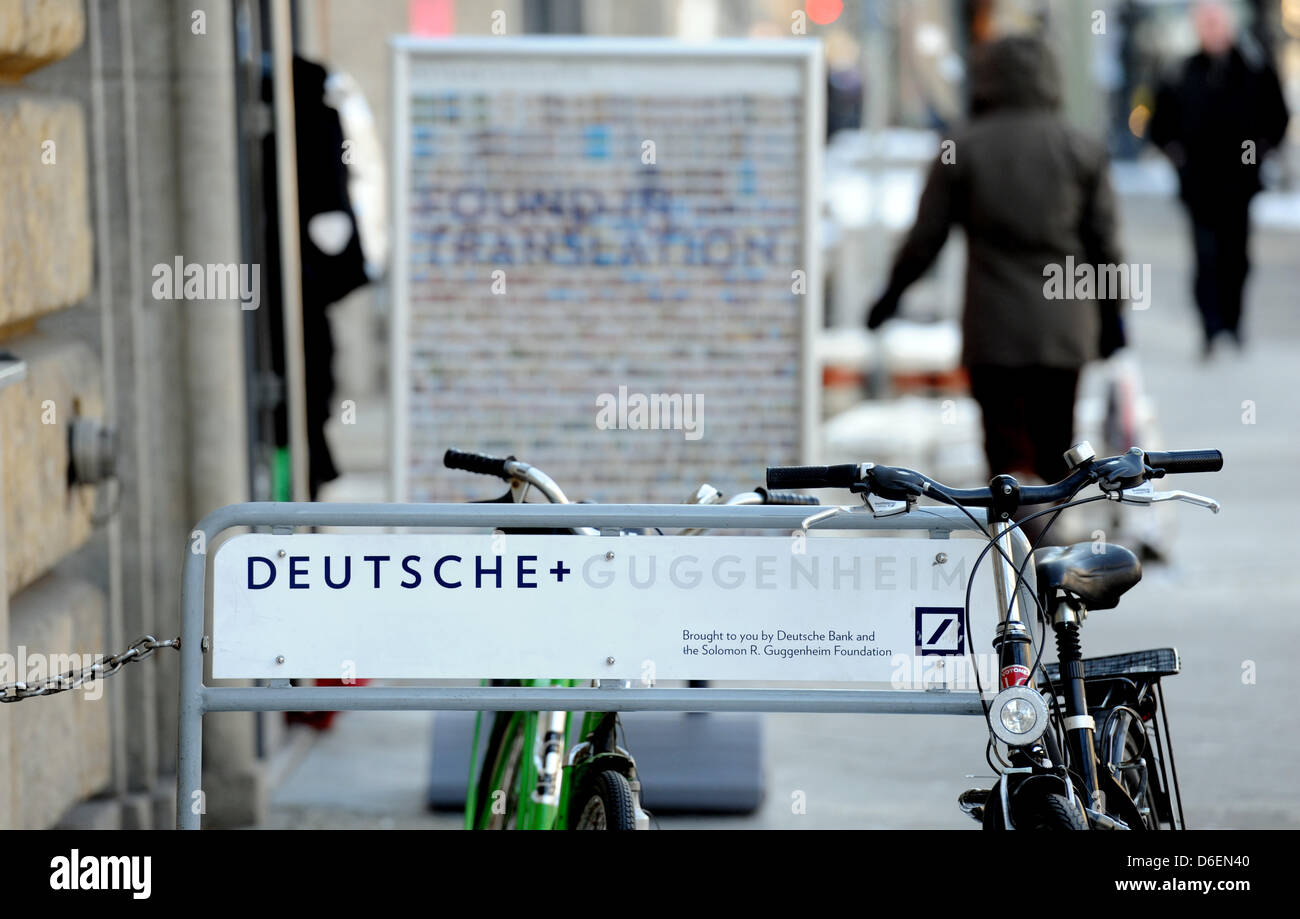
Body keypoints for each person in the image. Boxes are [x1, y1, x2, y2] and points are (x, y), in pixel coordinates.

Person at [866, 34, 1125, 491]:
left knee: (1004, 457)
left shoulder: (963, 147)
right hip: (1063, 327)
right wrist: (1113, 317)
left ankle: (1009, 550)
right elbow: (1104, 243)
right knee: (1057, 448)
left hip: (993, 328)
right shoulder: (1079, 146)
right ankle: (1053, 547)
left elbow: (926, 238)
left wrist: (890, 294)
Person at [1147, 1, 1289, 357]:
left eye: (1217, 23)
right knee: (1205, 257)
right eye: (1205, 24)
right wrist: (1177, 157)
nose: (1212, 31)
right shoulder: (1181, 72)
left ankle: (1233, 322)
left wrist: (1259, 152)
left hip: (1239, 184)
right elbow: (1159, 125)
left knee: (1236, 257)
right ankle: (1210, 328)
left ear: (1228, 27)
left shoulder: (1253, 70)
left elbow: (1277, 117)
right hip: (1199, 186)